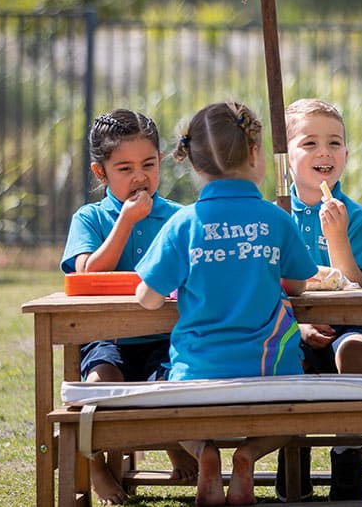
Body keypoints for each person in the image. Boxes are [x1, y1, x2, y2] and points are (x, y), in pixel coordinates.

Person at [135, 101, 318, 507]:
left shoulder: (182, 223)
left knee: (162, 406)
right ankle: (248, 455)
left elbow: (147, 299)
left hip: (197, 371)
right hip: (271, 370)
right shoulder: (275, 219)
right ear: (255, 153)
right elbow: (301, 285)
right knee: (297, 415)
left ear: (195, 165)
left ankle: (205, 452)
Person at [60, 109, 195, 505]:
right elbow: (84, 275)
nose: (140, 177)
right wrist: (125, 221)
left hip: (162, 337)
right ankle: (96, 463)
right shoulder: (90, 217)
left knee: (167, 389)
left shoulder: (179, 217)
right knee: (99, 386)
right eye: (125, 168)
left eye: (148, 165)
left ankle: (170, 438)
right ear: (101, 174)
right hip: (108, 338)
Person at [275, 98, 362, 501]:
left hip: (352, 326)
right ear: (285, 156)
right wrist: (299, 326)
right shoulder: (274, 217)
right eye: (310, 143)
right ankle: (293, 463)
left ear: (347, 155)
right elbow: (267, 287)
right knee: (287, 354)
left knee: (355, 348)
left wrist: (337, 237)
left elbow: (359, 291)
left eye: (334, 143)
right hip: (289, 327)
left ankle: (347, 452)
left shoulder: (359, 220)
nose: (324, 152)